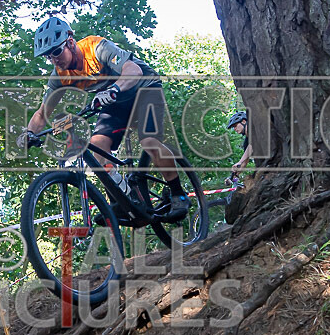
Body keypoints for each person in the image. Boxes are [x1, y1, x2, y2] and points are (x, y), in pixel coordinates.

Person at [16, 17, 190, 222]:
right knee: (97, 149)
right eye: (48, 56)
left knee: (149, 141)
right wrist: (29, 133)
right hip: (115, 100)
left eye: (56, 51)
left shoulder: (96, 48)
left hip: (144, 87)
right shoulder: (60, 76)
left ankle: (178, 193)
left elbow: (133, 70)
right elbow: (42, 113)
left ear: (70, 42)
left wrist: (115, 88)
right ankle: (121, 200)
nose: (54, 59)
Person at [227, 110, 252, 175]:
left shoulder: (254, 128)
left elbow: (253, 144)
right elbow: (244, 163)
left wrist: (240, 162)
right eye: (233, 127)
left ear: (243, 121)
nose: (235, 129)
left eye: (235, 125)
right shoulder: (247, 142)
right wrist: (233, 175)